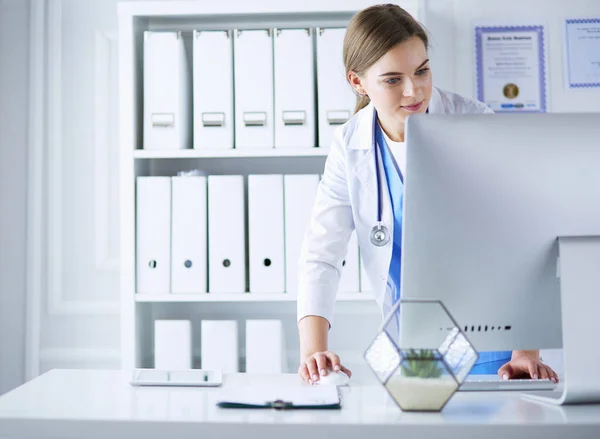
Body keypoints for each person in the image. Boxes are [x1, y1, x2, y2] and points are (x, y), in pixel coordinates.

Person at [296, 3, 559, 385]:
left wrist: (525, 353)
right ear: (358, 83)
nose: (413, 90)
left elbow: (523, 237)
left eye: (422, 71)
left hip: (493, 340)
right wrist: (313, 350)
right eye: (392, 79)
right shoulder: (350, 145)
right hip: (412, 342)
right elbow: (321, 252)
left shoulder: (474, 124)